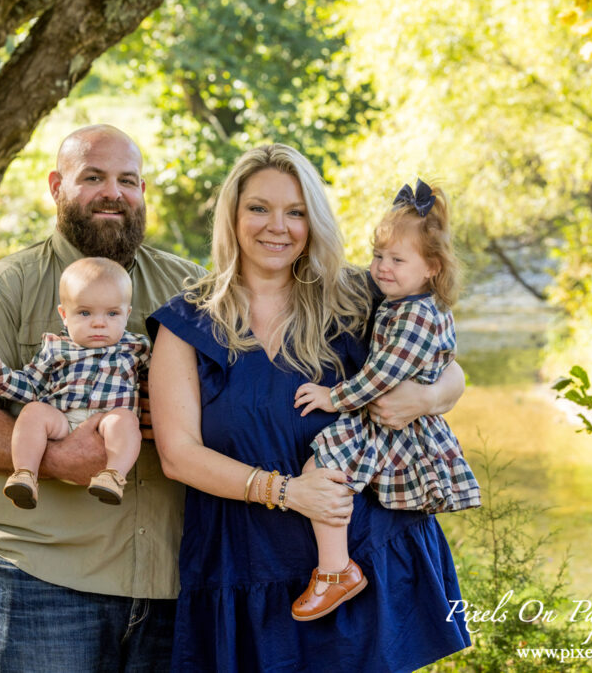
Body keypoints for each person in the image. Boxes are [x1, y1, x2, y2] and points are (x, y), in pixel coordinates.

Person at [148, 144, 472, 672]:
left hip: (367, 558)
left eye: (295, 212)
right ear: (232, 215)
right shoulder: (188, 322)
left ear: (313, 220)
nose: (278, 226)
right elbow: (178, 456)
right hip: (247, 565)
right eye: (259, 208)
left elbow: (448, 366)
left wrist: (425, 398)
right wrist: (290, 492)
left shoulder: (361, 295)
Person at [0, 125, 207, 672]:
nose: (114, 192)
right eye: (93, 178)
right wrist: (56, 459)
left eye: (128, 180)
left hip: (177, 578)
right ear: (57, 186)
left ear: (143, 191)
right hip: (46, 580)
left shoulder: (194, 289)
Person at [290, 178, 481, 620]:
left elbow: (383, 373)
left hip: (386, 419)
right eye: (378, 256)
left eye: (397, 259)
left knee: (320, 468)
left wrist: (332, 397)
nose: (382, 268)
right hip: (387, 414)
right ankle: (336, 570)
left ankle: (336, 571)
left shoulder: (416, 314)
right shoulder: (407, 302)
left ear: (432, 266)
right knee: (324, 472)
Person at [0, 257, 149, 509]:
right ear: (64, 315)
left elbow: (160, 378)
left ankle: (112, 476)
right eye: (85, 313)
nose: (99, 323)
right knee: (33, 411)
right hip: (63, 422)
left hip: (108, 424)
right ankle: (25, 474)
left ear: (126, 313)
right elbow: (32, 386)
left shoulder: (137, 347)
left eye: (112, 313)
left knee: (127, 421)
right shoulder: (55, 348)